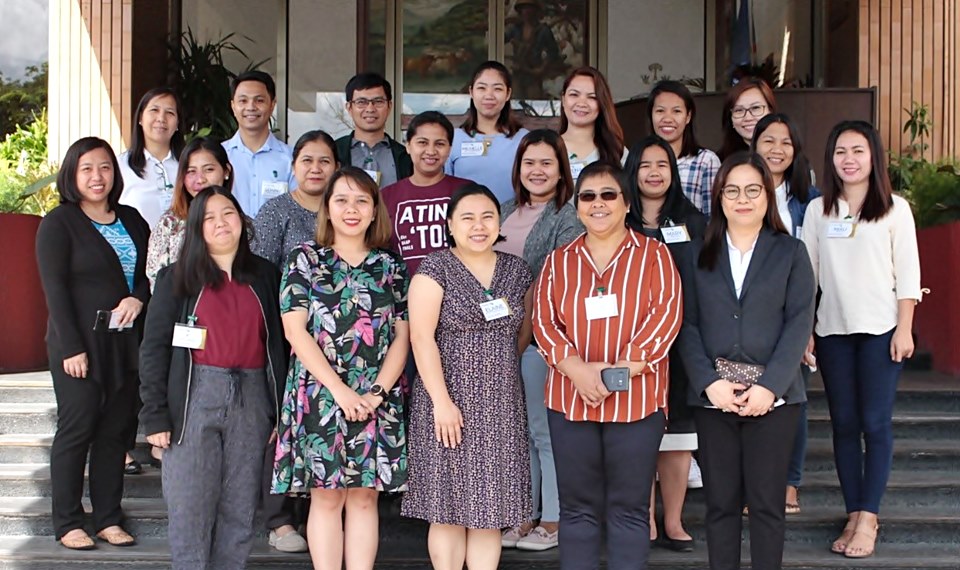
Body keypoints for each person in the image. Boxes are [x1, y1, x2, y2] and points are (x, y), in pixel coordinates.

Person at [533, 161, 682, 570]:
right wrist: (578, 370)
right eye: (588, 196)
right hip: (570, 400)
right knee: (577, 510)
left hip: (637, 400)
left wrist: (621, 371)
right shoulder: (558, 261)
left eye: (608, 195)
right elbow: (544, 322)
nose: (597, 204)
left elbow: (666, 315)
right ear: (577, 206)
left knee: (629, 508)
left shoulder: (655, 255)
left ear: (626, 202)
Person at [677, 151, 815, 570]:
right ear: (719, 197)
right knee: (719, 505)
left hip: (773, 401)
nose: (743, 199)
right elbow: (686, 325)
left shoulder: (790, 252)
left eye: (753, 190)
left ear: (766, 197)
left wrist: (769, 387)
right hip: (714, 397)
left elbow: (798, 324)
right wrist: (708, 383)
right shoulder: (696, 253)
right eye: (732, 190)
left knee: (767, 507)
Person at [138, 186, 287, 570]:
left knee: (239, 507)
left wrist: (278, 410)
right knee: (190, 504)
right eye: (209, 218)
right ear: (195, 228)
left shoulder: (266, 275)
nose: (221, 224)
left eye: (228, 214)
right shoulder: (178, 277)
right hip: (192, 397)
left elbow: (280, 347)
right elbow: (153, 347)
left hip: (252, 397)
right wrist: (154, 414)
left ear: (242, 220)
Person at [271, 167, 410, 570]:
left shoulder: (390, 267)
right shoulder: (305, 258)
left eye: (361, 201)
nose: (352, 209)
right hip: (320, 393)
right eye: (341, 200)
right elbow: (295, 332)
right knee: (327, 495)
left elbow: (403, 337)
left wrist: (377, 394)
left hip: (377, 395)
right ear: (327, 209)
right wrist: (341, 392)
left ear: (373, 211)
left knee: (365, 496)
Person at [802, 121, 922, 559]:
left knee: (875, 422)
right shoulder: (819, 212)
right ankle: (854, 510)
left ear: (874, 157)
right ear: (830, 159)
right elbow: (806, 275)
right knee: (844, 425)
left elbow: (908, 275)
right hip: (833, 332)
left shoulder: (895, 209)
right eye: (840, 151)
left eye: (857, 150)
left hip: (881, 332)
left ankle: (869, 517)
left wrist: (905, 328)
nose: (848, 159)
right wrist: (805, 332)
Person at [401, 183, 533, 570]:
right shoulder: (435, 268)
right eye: (468, 218)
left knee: (489, 512)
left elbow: (521, 334)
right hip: (446, 401)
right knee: (447, 508)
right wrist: (442, 402)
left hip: (500, 405)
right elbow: (421, 338)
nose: (479, 226)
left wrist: (494, 372)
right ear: (451, 225)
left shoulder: (516, 270)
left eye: (487, 216)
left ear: (499, 221)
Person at [36, 136, 150, 550]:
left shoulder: (133, 219)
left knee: (114, 432)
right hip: (79, 344)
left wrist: (138, 296)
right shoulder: (59, 222)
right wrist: (71, 348)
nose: (96, 176)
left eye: (104, 167)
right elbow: (55, 290)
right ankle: (68, 521)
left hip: (124, 342)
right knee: (78, 426)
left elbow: (149, 273)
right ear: (72, 174)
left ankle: (107, 518)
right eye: (86, 169)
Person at [496, 129, 582, 552]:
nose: (537, 170)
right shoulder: (505, 209)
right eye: (530, 162)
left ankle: (554, 518)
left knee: (543, 432)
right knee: (519, 433)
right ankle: (525, 514)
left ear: (561, 169)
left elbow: (550, 283)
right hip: (497, 339)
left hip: (540, 340)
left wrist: (522, 338)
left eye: (547, 163)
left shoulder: (568, 215)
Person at [623, 135, 706, 552]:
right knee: (641, 435)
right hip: (631, 346)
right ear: (632, 170)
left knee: (678, 436)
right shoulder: (620, 223)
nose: (655, 173)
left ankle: (672, 520)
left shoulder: (695, 221)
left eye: (663, 165)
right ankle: (644, 521)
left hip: (682, 344)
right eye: (645, 165)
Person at [751, 113, 821, 515]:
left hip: (795, 313)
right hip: (750, 315)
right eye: (768, 141)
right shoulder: (739, 190)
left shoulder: (808, 200)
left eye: (785, 143)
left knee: (794, 399)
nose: (777, 150)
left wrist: (806, 326)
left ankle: (789, 481)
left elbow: (814, 265)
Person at [381, 111, 471, 275]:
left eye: (439, 144)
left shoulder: (468, 192)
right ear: (408, 146)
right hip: (404, 294)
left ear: (449, 149)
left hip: (458, 293)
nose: (431, 151)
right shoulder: (386, 196)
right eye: (422, 142)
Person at [146, 137, 233, 291]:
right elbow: (156, 283)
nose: (200, 179)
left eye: (209, 169)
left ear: (226, 171)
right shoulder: (169, 225)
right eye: (191, 171)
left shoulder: (238, 223)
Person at [253, 130, 341, 266]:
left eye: (324, 161)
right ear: (293, 167)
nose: (315, 169)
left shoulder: (346, 211)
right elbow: (260, 272)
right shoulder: (274, 211)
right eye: (307, 161)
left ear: (337, 168)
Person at [445, 61, 529, 204]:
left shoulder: (524, 139)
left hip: (514, 223)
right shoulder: (453, 139)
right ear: (471, 92)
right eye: (482, 88)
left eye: (497, 89)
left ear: (508, 94)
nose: (489, 95)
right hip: (466, 223)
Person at [224, 70, 296, 217]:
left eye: (259, 100)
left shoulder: (290, 159)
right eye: (243, 101)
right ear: (233, 106)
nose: (251, 107)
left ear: (272, 105)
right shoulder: (220, 156)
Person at [647, 80, 721, 217]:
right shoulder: (639, 159)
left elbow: (713, 218)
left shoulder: (706, 161)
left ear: (688, 117)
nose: (667, 118)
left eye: (676, 111)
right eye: (660, 111)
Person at [118, 87, 185, 229]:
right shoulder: (120, 166)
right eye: (154, 110)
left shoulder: (188, 165)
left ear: (178, 123)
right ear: (140, 118)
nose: (161, 118)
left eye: (170, 112)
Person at [334, 72, 412, 188]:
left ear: (389, 106)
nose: (370, 109)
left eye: (378, 102)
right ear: (349, 108)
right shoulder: (334, 152)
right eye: (361, 102)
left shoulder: (406, 157)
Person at [558, 66, 626, 181]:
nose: (582, 103)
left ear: (602, 104)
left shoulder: (617, 151)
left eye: (592, 97)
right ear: (563, 99)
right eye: (574, 95)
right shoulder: (548, 148)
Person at [718, 77, 776, 161]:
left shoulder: (784, 156)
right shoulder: (719, 162)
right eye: (739, 110)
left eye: (756, 108)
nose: (748, 118)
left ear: (770, 110)